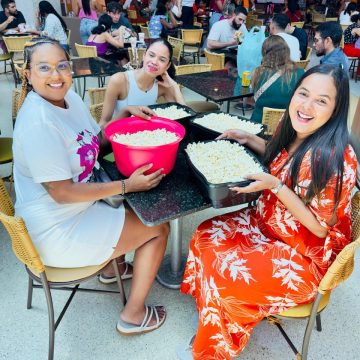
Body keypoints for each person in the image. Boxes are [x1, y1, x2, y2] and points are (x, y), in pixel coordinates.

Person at [179, 64, 358, 359]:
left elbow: (320, 229)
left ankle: (213, 345)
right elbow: (279, 159)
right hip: (267, 222)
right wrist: (247, 138)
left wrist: (275, 186)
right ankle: (216, 317)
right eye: (303, 94)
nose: (306, 106)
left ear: (336, 110)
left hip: (304, 253)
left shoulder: (335, 159)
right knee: (204, 235)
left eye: (321, 101)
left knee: (226, 275)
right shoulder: (291, 126)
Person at [13, 36, 169, 335]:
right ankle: (133, 315)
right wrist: (126, 186)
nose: (56, 76)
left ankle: (112, 268)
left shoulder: (68, 99)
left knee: (129, 205)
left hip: (77, 210)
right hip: (57, 229)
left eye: (62, 66)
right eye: (44, 68)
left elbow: (91, 146)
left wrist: (121, 117)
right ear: (27, 74)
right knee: (158, 227)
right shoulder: (38, 123)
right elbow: (63, 192)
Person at [101, 38, 185, 124]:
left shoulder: (163, 85)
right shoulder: (120, 80)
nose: (154, 62)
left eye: (162, 60)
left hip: (148, 135)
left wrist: (175, 86)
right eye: (151, 55)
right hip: (120, 135)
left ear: (167, 66)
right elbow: (103, 123)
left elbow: (183, 115)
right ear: (144, 55)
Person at [250, 35, 304, 123]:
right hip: (286, 125)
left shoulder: (258, 72)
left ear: (264, 52)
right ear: (287, 51)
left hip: (259, 124)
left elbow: (254, 97)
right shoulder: (301, 73)